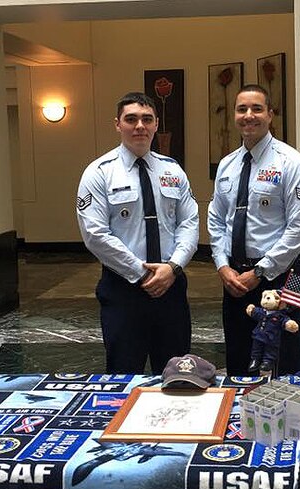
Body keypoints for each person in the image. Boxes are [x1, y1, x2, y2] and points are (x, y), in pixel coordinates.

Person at [76, 92, 199, 374]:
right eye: (131, 119)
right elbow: (95, 233)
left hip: (171, 288)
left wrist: (172, 267)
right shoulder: (99, 172)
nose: (139, 126)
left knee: (177, 373)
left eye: (147, 119)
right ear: (118, 124)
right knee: (123, 373)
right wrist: (142, 273)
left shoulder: (173, 170)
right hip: (123, 290)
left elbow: (189, 222)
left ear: (156, 124)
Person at [207, 84, 300, 376]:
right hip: (236, 279)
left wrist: (260, 272)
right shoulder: (228, 165)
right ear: (234, 115)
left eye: (256, 108)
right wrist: (222, 266)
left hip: (285, 275)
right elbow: (216, 219)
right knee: (240, 360)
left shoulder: (292, 162)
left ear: (270, 114)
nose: (248, 115)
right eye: (242, 109)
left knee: (289, 360)